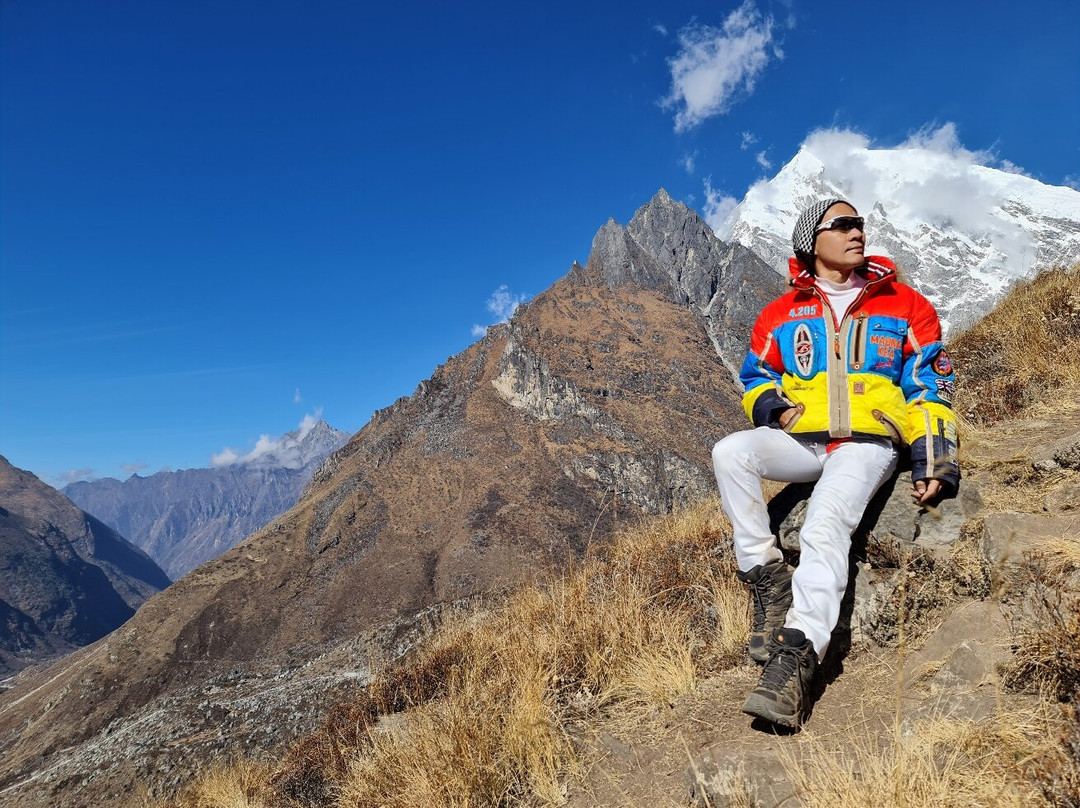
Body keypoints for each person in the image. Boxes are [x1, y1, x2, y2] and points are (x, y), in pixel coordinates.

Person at [710, 198, 959, 729]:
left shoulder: (906, 304)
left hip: (868, 442)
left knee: (825, 524)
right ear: (811, 242)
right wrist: (772, 407)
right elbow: (755, 378)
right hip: (804, 440)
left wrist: (933, 455)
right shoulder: (780, 313)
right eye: (842, 225)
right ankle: (766, 576)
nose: (857, 233)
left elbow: (929, 384)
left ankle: (796, 656)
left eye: (860, 225)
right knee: (730, 452)